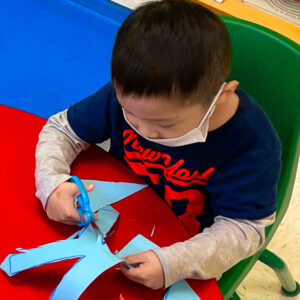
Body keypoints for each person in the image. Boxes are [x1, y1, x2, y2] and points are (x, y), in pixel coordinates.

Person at [35, 0, 281, 290]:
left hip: (187, 248)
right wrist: (51, 182)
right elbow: (62, 129)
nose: (144, 130)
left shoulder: (251, 144)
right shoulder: (134, 95)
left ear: (222, 96)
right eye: (131, 115)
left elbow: (244, 230)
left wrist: (174, 262)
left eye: (164, 125)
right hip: (120, 218)